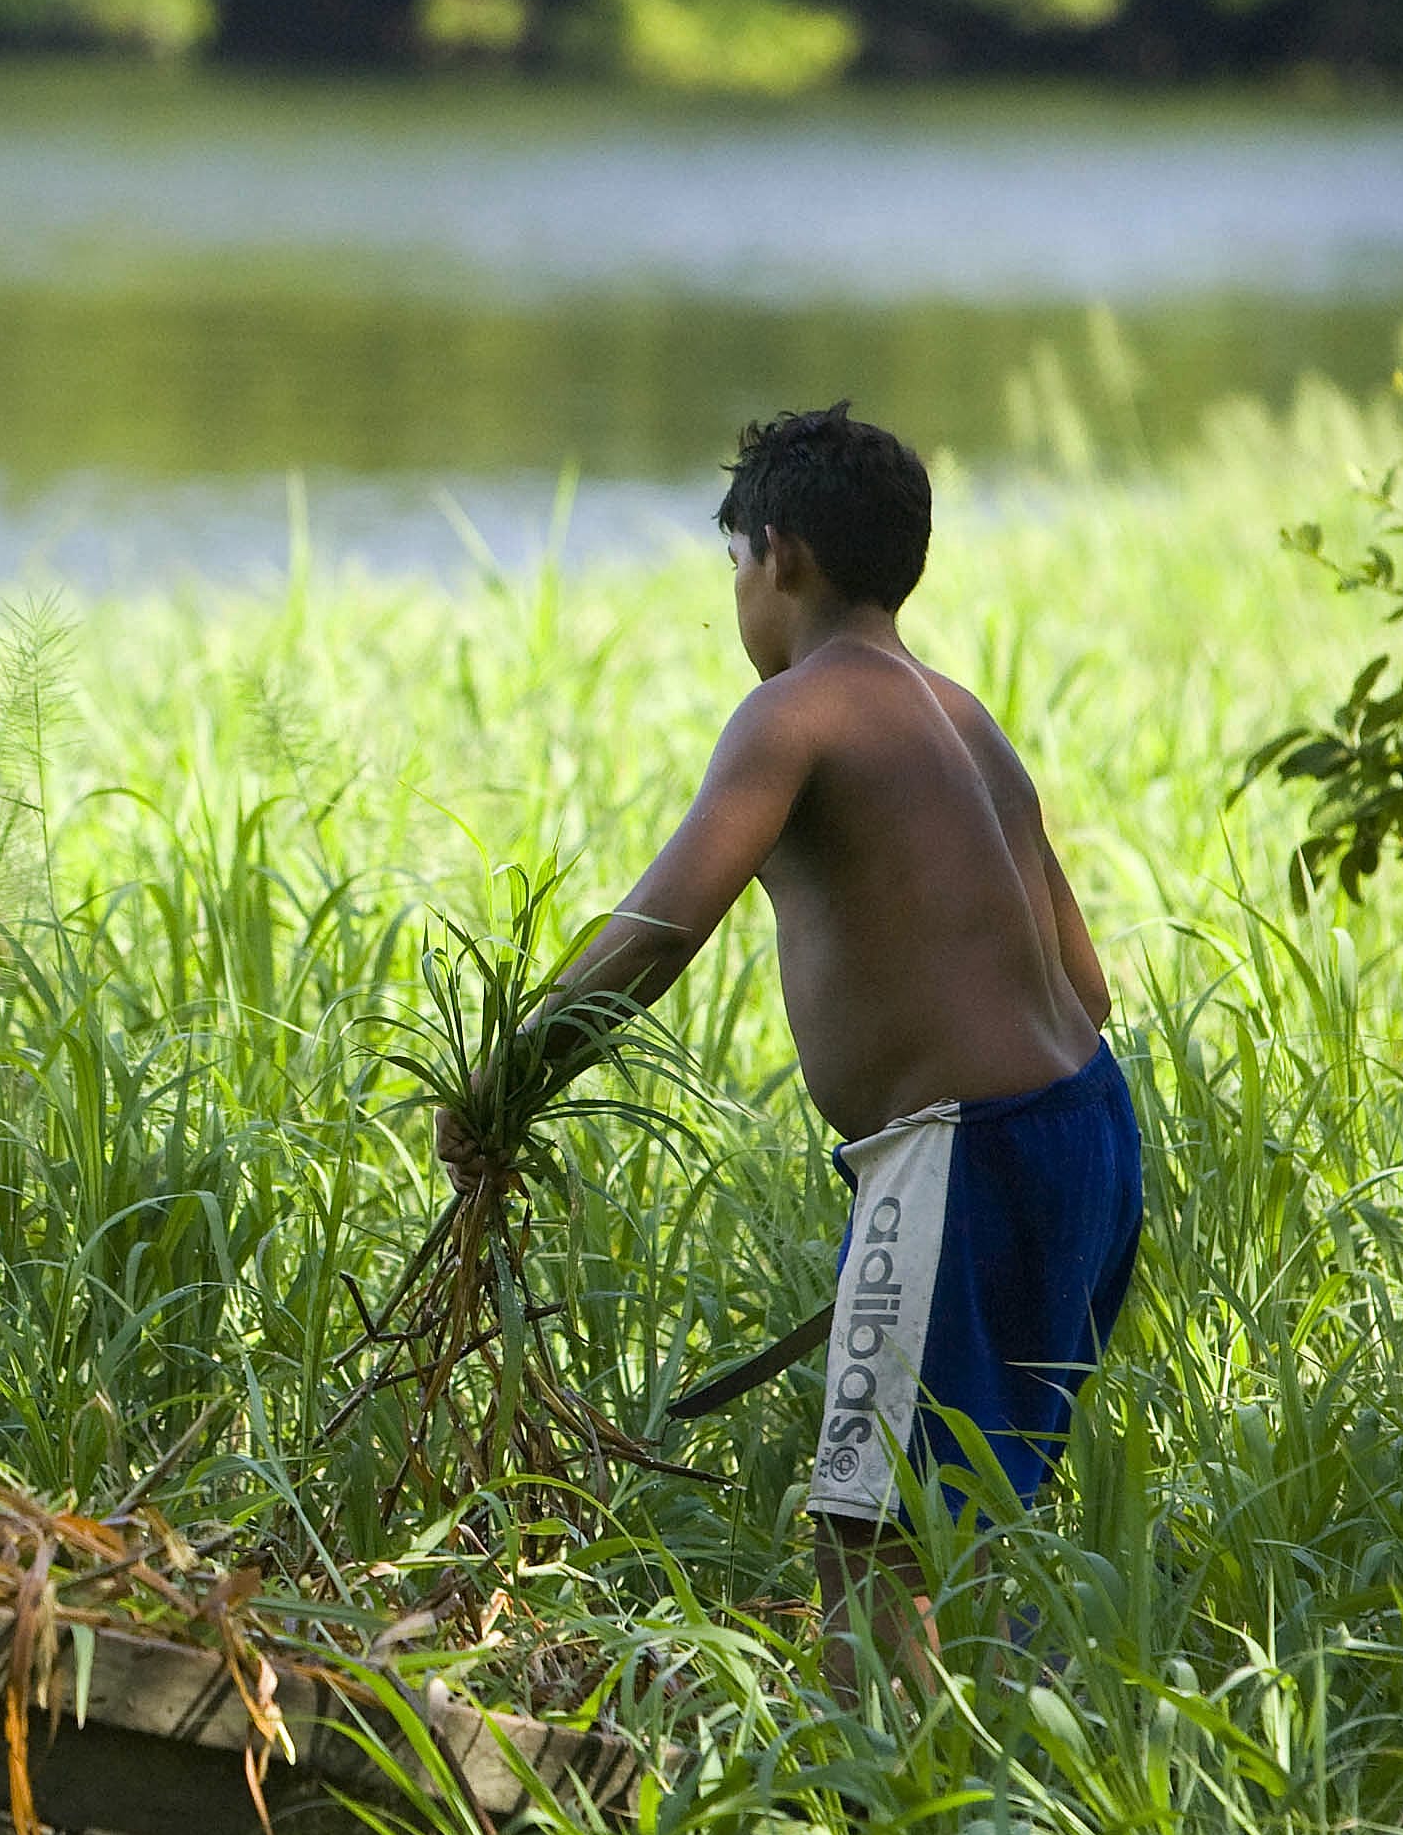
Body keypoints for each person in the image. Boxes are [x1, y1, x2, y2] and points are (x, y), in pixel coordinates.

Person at [436, 404, 1142, 1701]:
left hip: (962, 1153)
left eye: (735, 569)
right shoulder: (964, 717)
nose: (738, 601)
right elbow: (1086, 986)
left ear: (783, 556)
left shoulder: (793, 715)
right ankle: (1002, 1799)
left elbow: (655, 932)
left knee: (868, 1540)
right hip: (1089, 1135)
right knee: (980, 1513)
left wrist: (505, 1083)